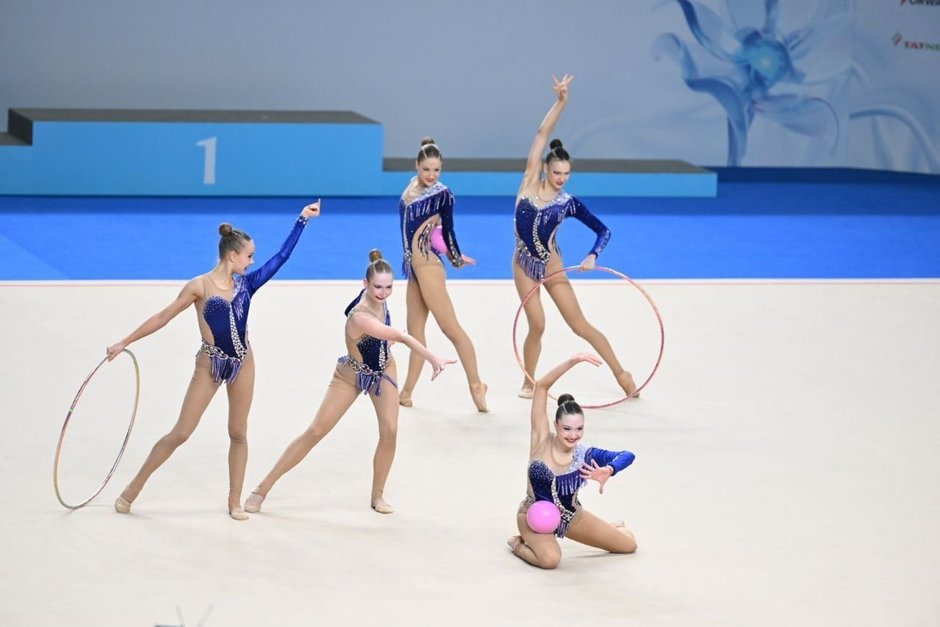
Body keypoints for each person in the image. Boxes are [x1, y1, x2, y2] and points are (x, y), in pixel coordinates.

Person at [107, 200, 322, 520]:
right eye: (249, 256)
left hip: (243, 363)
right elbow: (163, 316)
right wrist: (125, 341)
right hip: (210, 365)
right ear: (232, 255)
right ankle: (132, 489)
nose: (252, 261)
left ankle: (235, 500)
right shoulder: (200, 286)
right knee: (181, 432)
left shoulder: (247, 284)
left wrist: (302, 220)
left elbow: (282, 257)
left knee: (238, 432)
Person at [244, 250, 455, 515]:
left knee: (390, 430)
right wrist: (433, 358)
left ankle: (378, 495)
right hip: (350, 374)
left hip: (383, 370)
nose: (383, 293)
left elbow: (385, 336)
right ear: (365, 284)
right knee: (316, 431)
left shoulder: (379, 299)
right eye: (377, 287)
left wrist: (381, 347)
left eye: (388, 287)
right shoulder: (360, 316)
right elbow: (401, 336)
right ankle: (261, 489)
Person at [513, 74, 638, 399]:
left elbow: (603, 230)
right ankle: (528, 381)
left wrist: (593, 255)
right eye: (557, 173)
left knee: (579, 324)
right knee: (538, 324)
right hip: (524, 263)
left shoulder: (568, 203)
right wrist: (561, 102)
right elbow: (541, 134)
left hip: (553, 264)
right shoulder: (528, 182)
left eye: (567, 175)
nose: (561, 179)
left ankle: (622, 373)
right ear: (545, 169)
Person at [508, 353, 638, 569]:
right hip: (533, 517)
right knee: (550, 560)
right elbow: (541, 386)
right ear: (556, 425)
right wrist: (573, 361)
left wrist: (609, 469)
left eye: (579, 429)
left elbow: (628, 455)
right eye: (567, 429)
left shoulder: (585, 454)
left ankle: (611, 529)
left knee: (629, 545)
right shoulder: (541, 440)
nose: (573, 435)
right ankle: (517, 544)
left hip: (570, 517)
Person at [397, 137, 488, 412]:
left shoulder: (443, 194)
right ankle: (406, 392)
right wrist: (446, 249)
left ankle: (476, 384)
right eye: (426, 169)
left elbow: (447, 230)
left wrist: (455, 257)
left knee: (450, 327)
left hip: (428, 265)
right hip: (414, 269)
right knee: (414, 334)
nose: (431, 175)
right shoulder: (411, 188)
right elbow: (433, 232)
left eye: (436, 170)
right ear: (416, 165)